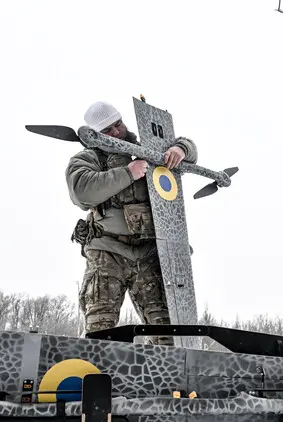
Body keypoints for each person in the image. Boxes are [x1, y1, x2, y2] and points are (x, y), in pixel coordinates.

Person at [66, 101, 198, 346]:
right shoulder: (88, 158)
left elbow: (188, 147)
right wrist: (128, 173)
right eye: (107, 130)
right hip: (108, 252)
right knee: (100, 333)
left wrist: (181, 149)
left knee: (168, 333)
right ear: (94, 133)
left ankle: (165, 381)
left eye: (118, 124)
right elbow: (81, 192)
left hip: (149, 253)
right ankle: (99, 378)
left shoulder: (146, 150)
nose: (116, 132)